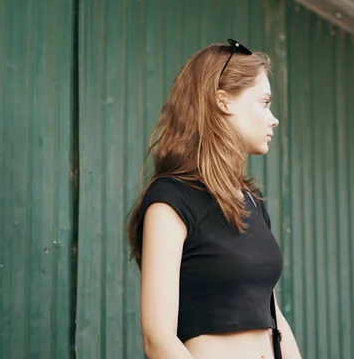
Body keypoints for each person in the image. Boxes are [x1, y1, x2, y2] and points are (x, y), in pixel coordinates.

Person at [126, 39, 302, 359]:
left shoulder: (252, 202)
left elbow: (272, 313)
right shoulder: (170, 200)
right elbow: (158, 339)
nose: (273, 118)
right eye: (264, 102)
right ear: (223, 101)